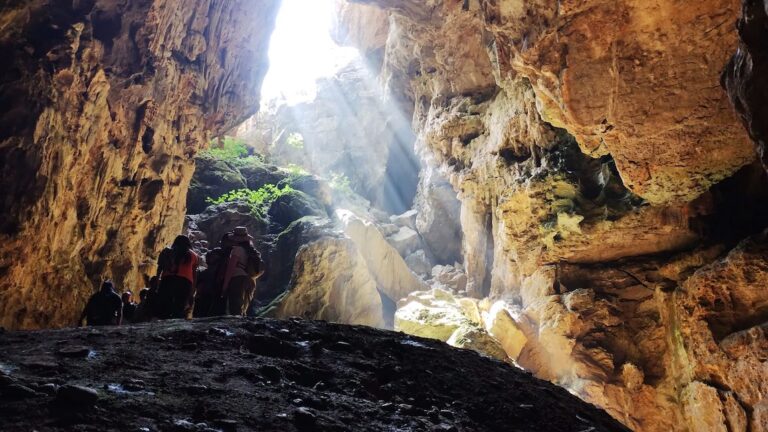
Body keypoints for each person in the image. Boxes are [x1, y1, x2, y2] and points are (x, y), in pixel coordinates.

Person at [221, 227, 264, 316]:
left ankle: (235, 328)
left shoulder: (237, 250)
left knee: (235, 308)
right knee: (244, 307)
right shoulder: (253, 251)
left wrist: (225, 285)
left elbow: (230, 269)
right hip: (251, 280)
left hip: (238, 279)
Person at [156, 235, 199, 319]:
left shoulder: (167, 251)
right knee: (179, 305)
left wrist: (158, 280)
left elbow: (160, 267)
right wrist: (193, 289)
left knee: (165, 304)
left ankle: (163, 321)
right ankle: (176, 324)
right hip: (185, 282)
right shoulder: (193, 255)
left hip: (168, 279)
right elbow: (194, 273)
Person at [193, 248, 225, 318]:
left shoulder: (210, 270)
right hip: (209, 294)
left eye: (213, 256)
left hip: (207, 294)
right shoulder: (217, 269)